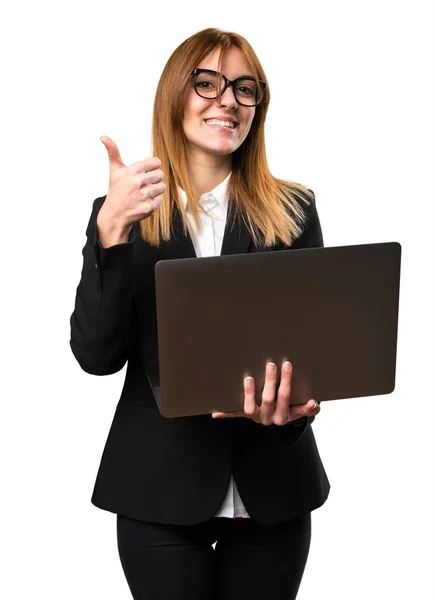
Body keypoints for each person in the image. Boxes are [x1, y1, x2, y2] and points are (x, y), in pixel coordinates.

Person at [69, 27, 330, 600]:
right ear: (175, 95)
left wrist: (298, 406)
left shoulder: (293, 209)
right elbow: (96, 356)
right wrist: (109, 235)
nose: (227, 101)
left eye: (244, 88)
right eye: (207, 83)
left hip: (272, 492)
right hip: (158, 488)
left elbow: (311, 356)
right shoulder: (123, 211)